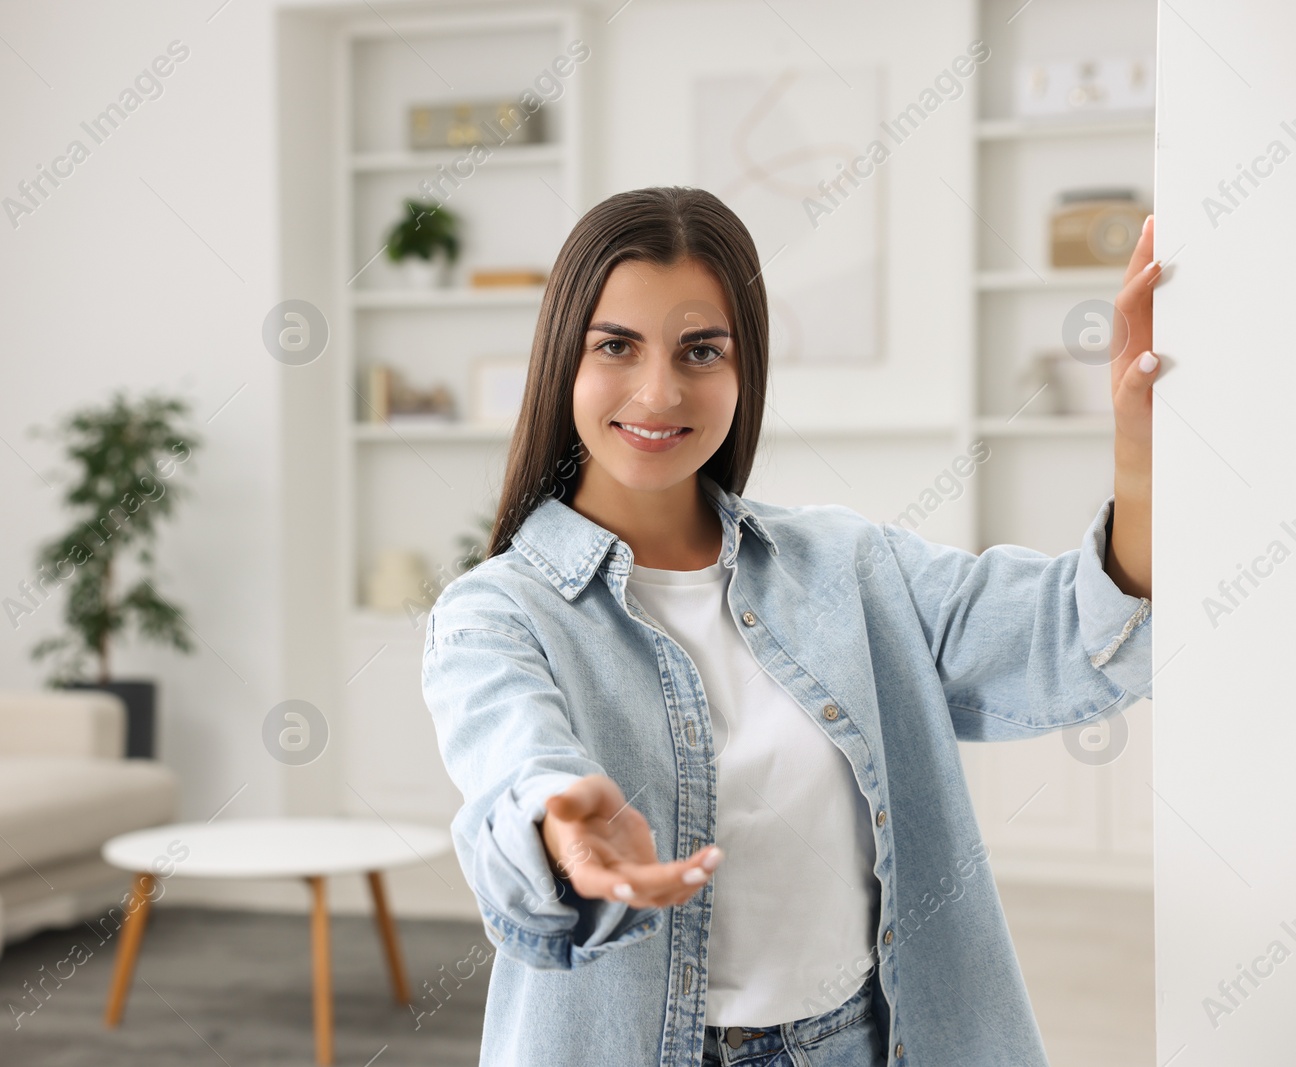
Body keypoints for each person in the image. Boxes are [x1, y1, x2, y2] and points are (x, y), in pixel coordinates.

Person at [419, 186, 1156, 1067]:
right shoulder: (496, 611)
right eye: (616, 345)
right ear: (561, 362)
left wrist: (1140, 456)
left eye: (702, 351)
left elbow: (1071, 632)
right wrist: (557, 826)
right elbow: (514, 760)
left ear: (744, 370)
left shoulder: (849, 566)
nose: (660, 391)